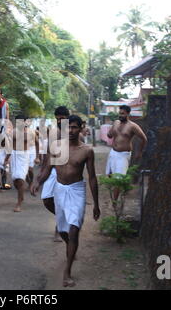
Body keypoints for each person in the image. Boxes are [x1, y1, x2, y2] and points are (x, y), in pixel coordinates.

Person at [31, 115, 100, 288]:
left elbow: (92, 178)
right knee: (63, 230)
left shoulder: (86, 150)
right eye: (68, 127)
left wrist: (97, 204)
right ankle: (70, 245)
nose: (71, 131)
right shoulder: (56, 147)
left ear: (81, 128)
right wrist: (37, 181)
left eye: (75, 127)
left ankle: (67, 272)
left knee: (74, 228)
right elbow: (47, 168)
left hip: (76, 190)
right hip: (60, 190)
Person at [38, 106, 69, 242]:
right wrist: (41, 173)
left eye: (62, 118)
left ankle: (59, 228)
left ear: (67, 118)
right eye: (57, 118)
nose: (59, 121)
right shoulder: (53, 133)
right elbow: (47, 155)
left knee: (61, 202)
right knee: (46, 199)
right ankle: (63, 218)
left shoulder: (73, 133)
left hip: (67, 172)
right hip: (52, 170)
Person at [106, 105, 147, 201]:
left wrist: (140, 152)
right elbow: (110, 135)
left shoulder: (133, 126)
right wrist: (111, 131)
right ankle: (116, 194)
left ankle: (114, 202)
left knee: (118, 179)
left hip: (123, 155)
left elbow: (144, 139)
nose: (120, 115)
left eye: (123, 114)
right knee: (110, 174)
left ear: (128, 114)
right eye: (119, 113)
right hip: (113, 153)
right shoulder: (116, 122)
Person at [4, 114, 31, 212]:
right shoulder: (13, 133)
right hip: (15, 155)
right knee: (15, 180)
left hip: (24, 156)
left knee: (20, 180)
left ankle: (19, 203)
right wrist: (6, 158)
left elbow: (36, 143)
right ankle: (22, 190)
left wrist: (37, 156)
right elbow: (10, 147)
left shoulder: (30, 133)